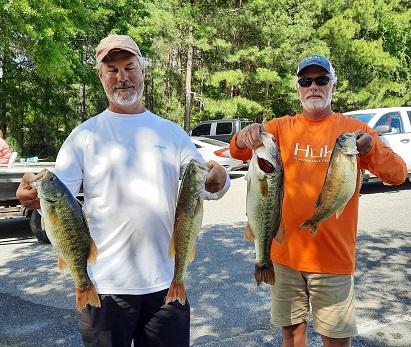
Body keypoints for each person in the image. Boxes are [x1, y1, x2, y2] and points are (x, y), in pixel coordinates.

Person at [16, 34, 230, 347]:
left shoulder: (171, 133)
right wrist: (31, 196)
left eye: (129, 67)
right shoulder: (83, 137)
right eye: (112, 70)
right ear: (101, 77)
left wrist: (219, 175)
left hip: (166, 283)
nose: (122, 77)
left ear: (143, 71)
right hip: (105, 287)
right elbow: (54, 194)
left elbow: (209, 186)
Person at [230, 54, 407, 347]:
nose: (314, 86)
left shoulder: (355, 131)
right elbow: (236, 152)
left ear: (333, 86)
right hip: (284, 256)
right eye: (306, 81)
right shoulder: (279, 128)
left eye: (321, 80)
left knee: (336, 340)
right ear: (298, 88)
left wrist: (371, 149)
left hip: (333, 258)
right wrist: (243, 137)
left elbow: (399, 174)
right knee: (292, 334)